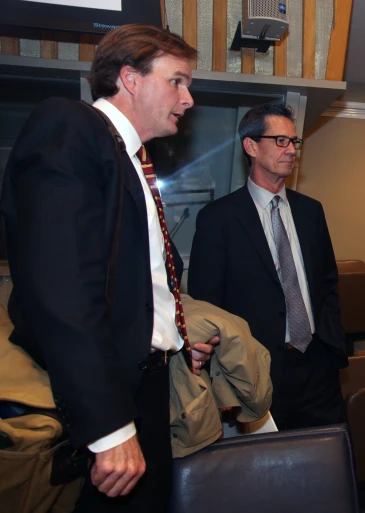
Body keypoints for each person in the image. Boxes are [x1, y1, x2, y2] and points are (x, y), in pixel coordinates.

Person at [1, 24, 220, 513]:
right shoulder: (69, 126)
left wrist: (176, 339)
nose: (187, 100)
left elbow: (136, 284)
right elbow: (60, 287)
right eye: (178, 81)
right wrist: (108, 427)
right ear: (130, 78)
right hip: (106, 397)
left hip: (147, 383)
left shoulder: (133, 160)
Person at [188, 103, 347, 430]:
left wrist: (333, 343)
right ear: (251, 146)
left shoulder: (310, 211)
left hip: (317, 364)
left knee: (330, 461)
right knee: (268, 469)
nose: (291, 151)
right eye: (280, 141)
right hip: (256, 370)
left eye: (294, 142)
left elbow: (327, 283)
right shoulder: (218, 219)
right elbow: (207, 305)